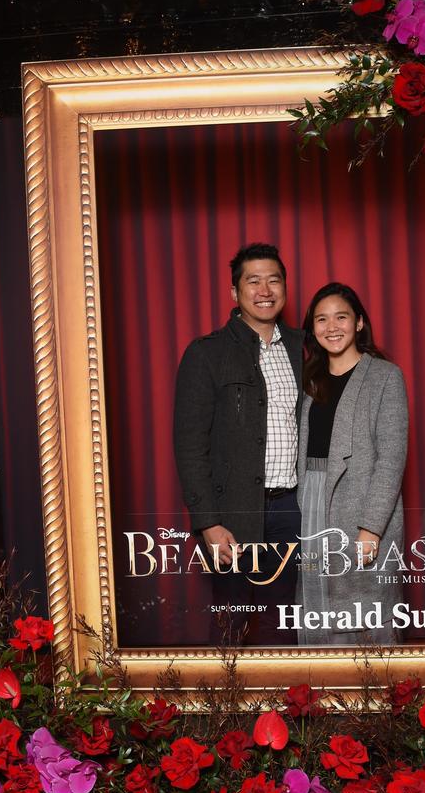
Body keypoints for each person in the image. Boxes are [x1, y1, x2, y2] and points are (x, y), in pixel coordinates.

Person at [173, 243, 303, 646]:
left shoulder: (304, 347)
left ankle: (285, 707)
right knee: (232, 620)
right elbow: (189, 444)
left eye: (274, 280)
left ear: (284, 287)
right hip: (232, 512)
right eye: (253, 281)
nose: (265, 290)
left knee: (285, 620)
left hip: (293, 508)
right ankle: (226, 708)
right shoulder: (206, 353)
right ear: (235, 292)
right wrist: (208, 522)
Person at [297, 282, 408, 646]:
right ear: (312, 328)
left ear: (359, 323)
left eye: (341, 317)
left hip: (361, 506)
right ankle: (321, 698)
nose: (332, 327)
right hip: (313, 502)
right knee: (317, 606)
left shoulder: (385, 376)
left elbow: (391, 458)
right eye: (322, 319)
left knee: (367, 614)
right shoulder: (310, 381)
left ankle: (373, 699)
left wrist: (372, 528)